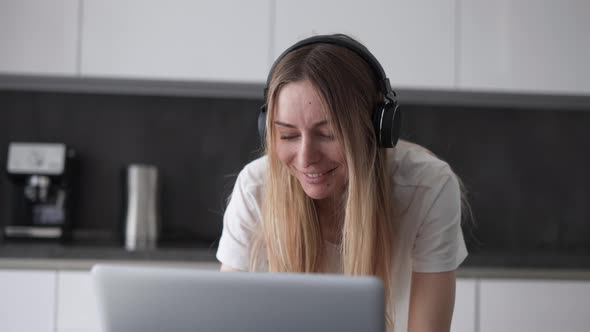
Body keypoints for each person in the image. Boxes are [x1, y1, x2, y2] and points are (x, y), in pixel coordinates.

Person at [216, 34, 468, 332]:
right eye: (287, 135)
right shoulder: (255, 189)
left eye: (328, 134)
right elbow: (226, 321)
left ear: (375, 128)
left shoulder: (427, 188)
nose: (306, 158)